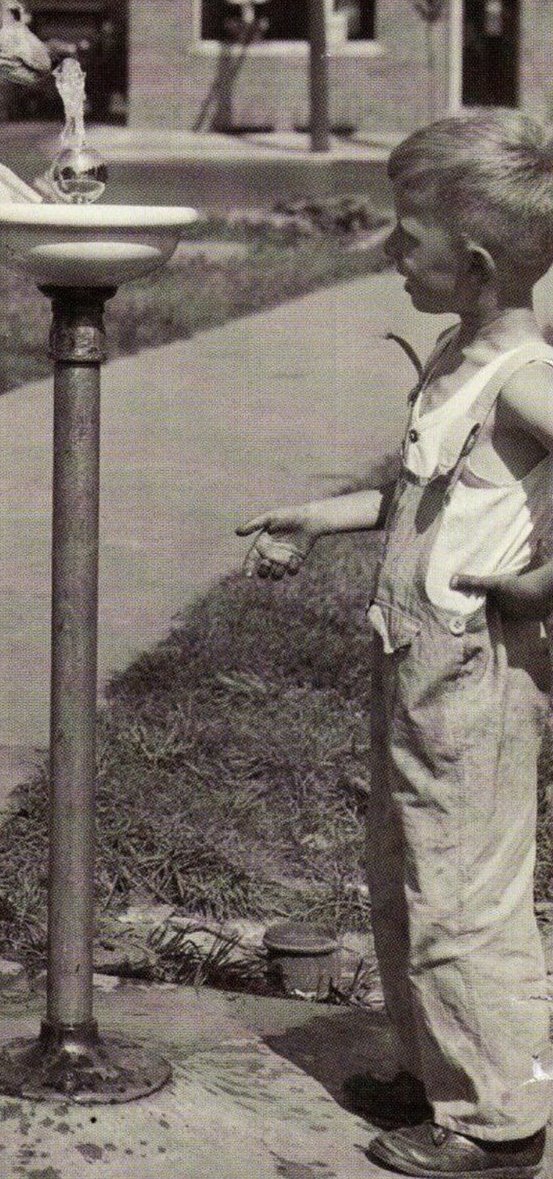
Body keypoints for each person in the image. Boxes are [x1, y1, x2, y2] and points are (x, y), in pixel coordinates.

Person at [237, 110, 553, 1178]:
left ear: (470, 265)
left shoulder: (525, 379)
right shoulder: (458, 353)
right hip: (414, 663)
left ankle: (500, 1121)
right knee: (406, 872)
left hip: (475, 668)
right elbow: (423, 491)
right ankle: (435, 1073)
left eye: (404, 239)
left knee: (465, 891)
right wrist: (320, 517)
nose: (386, 254)